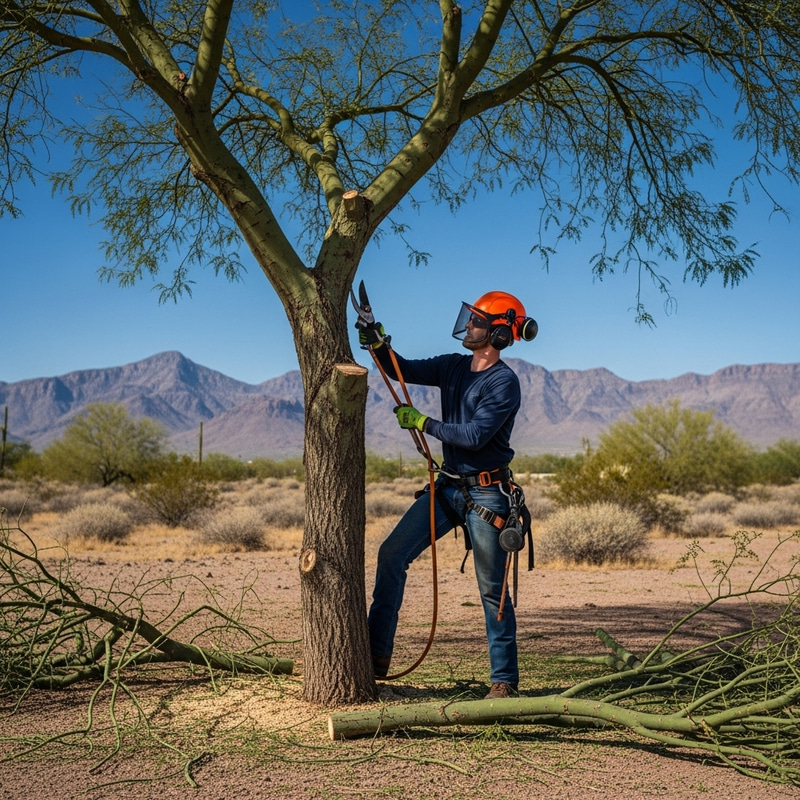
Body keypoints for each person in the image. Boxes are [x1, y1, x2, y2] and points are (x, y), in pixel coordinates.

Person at [359, 291, 537, 699]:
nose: (468, 325)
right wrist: (377, 341)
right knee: (392, 553)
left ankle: (504, 683)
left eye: (476, 321)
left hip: (488, 495)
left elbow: (475, 436)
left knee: (493, 589)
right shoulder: (453, 366)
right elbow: (399, 369)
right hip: (448, 488)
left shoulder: (503, 382)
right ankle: (373, 658)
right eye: (470, 317)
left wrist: (423, 421)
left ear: (498, 333)